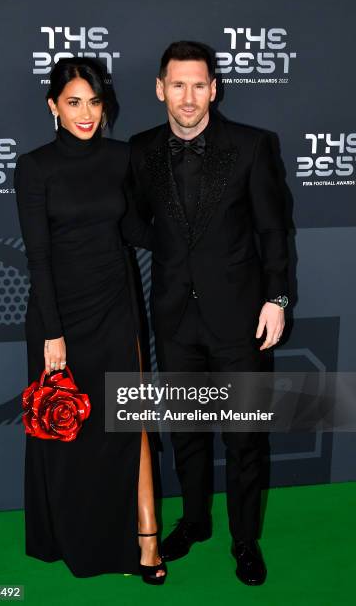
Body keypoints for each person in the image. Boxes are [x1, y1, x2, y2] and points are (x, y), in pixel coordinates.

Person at [123, 41, 289, 586]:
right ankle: (194, 522)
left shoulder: (252, 147)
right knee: (187, 433)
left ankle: (245, 539)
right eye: (177, 85)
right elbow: (131, 221)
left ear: (214, 89)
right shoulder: (142, 150)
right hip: (174, 318)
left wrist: (277, 298)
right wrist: (173, 251)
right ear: (159, 89)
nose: (188, 97)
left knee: (244, 439)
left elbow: (273, 230)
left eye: (199, 85)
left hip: (241, 320)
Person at [14, 57, 166, 584]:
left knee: (130, 423)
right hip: (60, 317)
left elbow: (132, 227)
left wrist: (195, 236)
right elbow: (38, 256)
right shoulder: (35, 167)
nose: (86, 113)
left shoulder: (122, 158)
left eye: (95, 102)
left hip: (115, 307)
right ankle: (73, 538)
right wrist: (53, 332)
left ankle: (145, 541)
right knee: (67, 430)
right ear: (52, 105)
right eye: (74, 102)